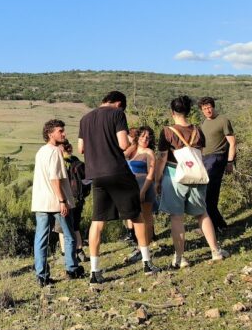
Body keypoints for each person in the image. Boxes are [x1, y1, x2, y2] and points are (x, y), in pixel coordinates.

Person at [78, 91, 160, 283]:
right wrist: (127, 142)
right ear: (118, 104)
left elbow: (81, 149)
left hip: (95, 175)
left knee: (97, 222)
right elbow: (123, 144)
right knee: (136, 215)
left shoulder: (85, 118)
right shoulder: (117, 114)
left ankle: (95, 272)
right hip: (117, 171)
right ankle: (147, 263)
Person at [154, 96, 229, 269]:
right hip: (197, 175)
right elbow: (199, 154)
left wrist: (157, 180)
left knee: (177, 217)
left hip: (174, 175)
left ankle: (180, 258)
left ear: (172, 112)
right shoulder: (198, 130)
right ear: (189, 111)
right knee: (202, 213)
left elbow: (162, 157)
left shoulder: (167, 131)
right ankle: (215, 251)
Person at [32, 120, 84, 287]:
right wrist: (62, 201)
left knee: (41, 238)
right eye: (60, 131)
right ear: (50, 134)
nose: (64, 134)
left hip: (41, 202)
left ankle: (42, 275)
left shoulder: (40, 151)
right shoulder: (55, 152)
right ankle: (72, 268)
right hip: (56, 201)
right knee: (69, 236)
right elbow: (55, 179)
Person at [198, 97, 237, 233]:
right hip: (204, 159)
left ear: (213, 107)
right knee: (205, 194)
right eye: (204, 109)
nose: (207, 110)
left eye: (209, 107)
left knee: (210, 194)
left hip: (216, 159)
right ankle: (214, 225)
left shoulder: (223, 120)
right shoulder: (203, 123)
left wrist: (230, 162)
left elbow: (232, 142)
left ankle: (218, 226)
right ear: (201, 110)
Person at [125, 126, 158, 263]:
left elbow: (151, 174)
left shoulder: (149, 152)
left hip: (144, 185)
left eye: (148, 137)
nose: (145, 139)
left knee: (146, 217)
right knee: (134, 217)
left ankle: (144, 246)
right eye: (143, 136)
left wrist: (143, 191)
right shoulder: (132, 150)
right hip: (131, 186)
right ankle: (140, 245)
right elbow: (122, 157)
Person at [55, 141, 91, 263]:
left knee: (61, 228)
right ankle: (79, 251)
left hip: (64, 199)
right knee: (75, 226)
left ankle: (65, 253)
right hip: (78, 199)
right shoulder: (77, 162)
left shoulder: (60, 162)